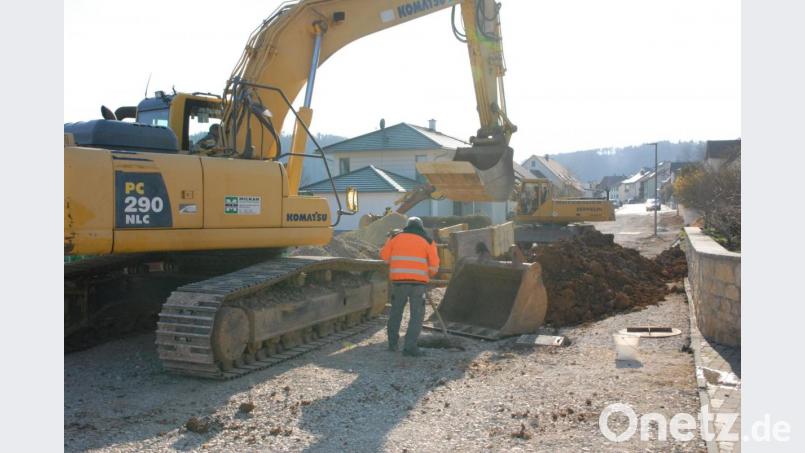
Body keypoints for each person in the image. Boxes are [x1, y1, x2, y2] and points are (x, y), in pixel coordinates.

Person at [380, 217, 440, 357]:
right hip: (418, 284)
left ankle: (392, 344)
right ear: (421, 227)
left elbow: (384, 257)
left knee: (395, 312)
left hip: (399, 282)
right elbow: (434, 267)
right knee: (416, 315)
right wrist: (427, 274)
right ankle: (410, 347)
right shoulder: (428, 241)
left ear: (406, 226)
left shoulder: (395, 238)